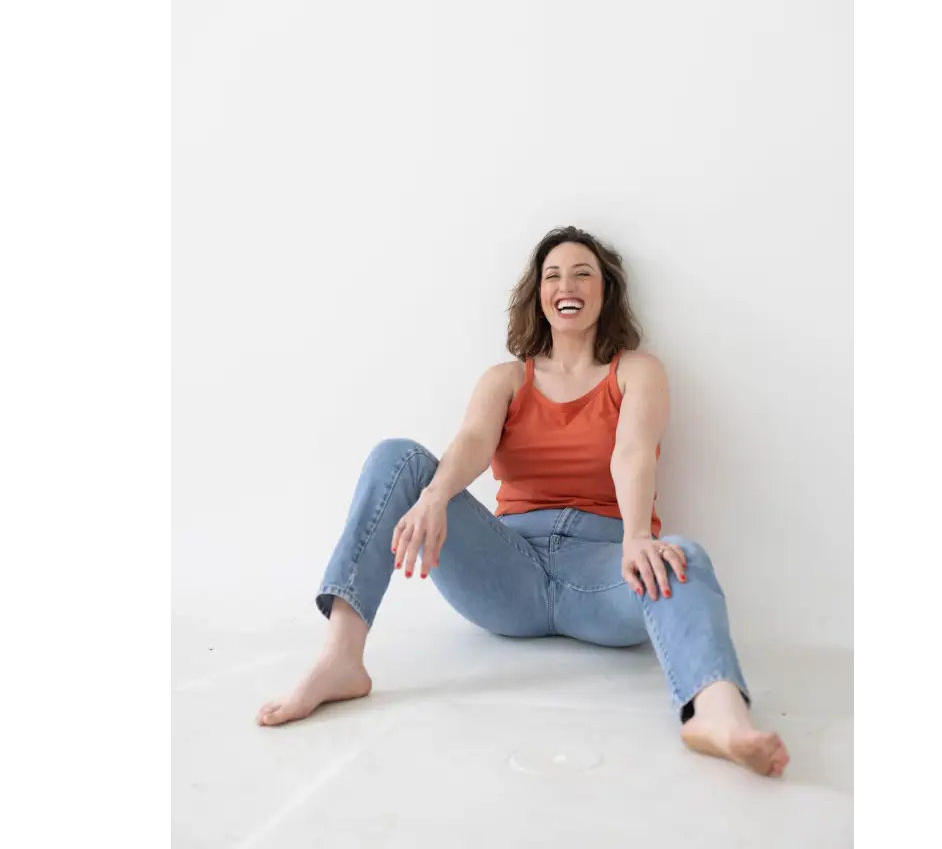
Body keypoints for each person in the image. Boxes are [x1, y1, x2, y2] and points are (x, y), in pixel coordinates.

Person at [256, 226, 789, 777]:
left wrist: (636, 537)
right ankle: (341, 658)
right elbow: (471, 443)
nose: (568, 283)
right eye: (553, 274)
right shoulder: (508, 379)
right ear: (539, 294)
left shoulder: (635, 370)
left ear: (605, 292)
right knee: (397, 457)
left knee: (684, 555)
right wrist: (435, 496)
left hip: (603, 574)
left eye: (583, 272)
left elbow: (632, 451)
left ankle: (719, 717)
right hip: (507, 573)